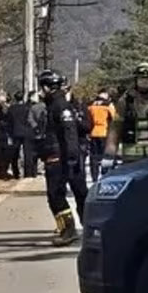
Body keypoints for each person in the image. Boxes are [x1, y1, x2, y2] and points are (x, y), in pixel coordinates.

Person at [36, 70, 89, 246]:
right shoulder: (53, 105)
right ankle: (81, 227)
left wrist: (72, 157)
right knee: (71, 193)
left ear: (46, 87)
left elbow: (70, 132)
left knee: (57, 195)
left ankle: (70, 230)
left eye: (41, 88)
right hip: (58, 155)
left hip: (61, 157)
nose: (40, 92)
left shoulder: (60, 106)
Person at [87, 90, 115, 182]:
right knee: (105, 156)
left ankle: (94, 176)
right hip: (104, 133)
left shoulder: (91, 107)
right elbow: (114, 118)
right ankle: (105, 173)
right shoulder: (108, 107)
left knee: (94, 157)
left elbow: (88, 120)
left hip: (94, 133)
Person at [6, 92, 31, 179]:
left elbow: (8, 121)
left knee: (15, 154)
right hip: (27, 132)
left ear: (15, 98)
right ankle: (28, 173)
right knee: (27, 153)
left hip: (15, 132)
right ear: (22, 98)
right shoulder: (27, 107)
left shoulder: (11, 108)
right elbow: (29, 120)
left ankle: (16, 172)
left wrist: (9, 133)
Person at [26, 90, 47, 178]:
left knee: (34, 154)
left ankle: (33, 171)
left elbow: (30, 119)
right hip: (46, 133)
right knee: (47, 152)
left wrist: (35, 127)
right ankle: (46, 168)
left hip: (36, 134)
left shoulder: (33, 108)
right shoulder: (47, 107)